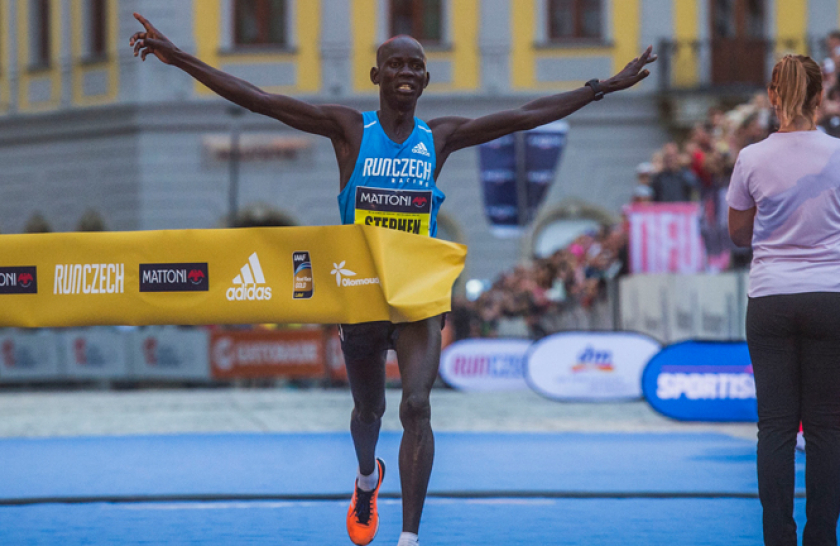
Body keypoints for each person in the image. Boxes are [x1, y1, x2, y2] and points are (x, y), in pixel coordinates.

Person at [129, 13, 656, 545]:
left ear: (425, 81)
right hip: (359, 293)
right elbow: (260, 99)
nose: (406, 71)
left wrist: (602, 87)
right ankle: (365, 477)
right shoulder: (350, 131)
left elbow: (525, 115)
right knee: (369, 410)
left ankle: (409, 537)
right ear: (377, 75)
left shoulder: (440, 137)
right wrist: (179, 59)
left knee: (418, 406)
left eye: (417, 66)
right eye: (396, 63)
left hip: (418, 295)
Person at [727, 54, 840, 545]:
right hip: (830, 295)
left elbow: (737, 234)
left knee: (774, 427)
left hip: (771, 296)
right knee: (826, 429)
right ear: (821, 97)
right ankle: (821, 536)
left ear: (773, 97)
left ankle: (778, 537)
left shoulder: (751, 158)